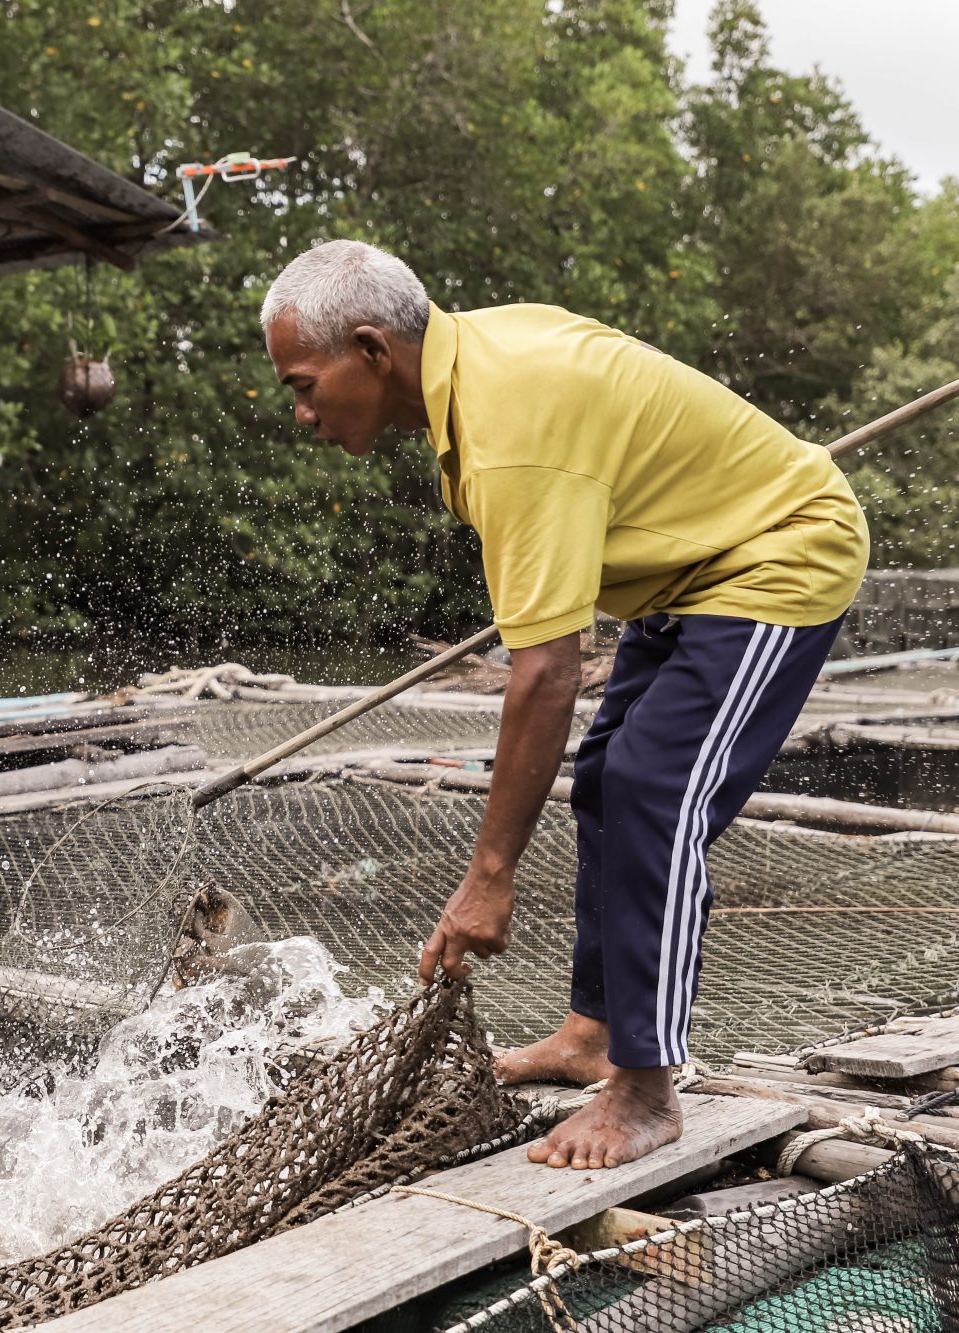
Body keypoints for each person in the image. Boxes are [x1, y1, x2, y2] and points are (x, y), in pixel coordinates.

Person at [259, 240, 868, 1169]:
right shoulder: (475, 375)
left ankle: (647, 1087)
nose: (301, 411)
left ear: (375, 352)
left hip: (777, 552)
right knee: (603, 782)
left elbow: (544, 675)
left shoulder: (511, 431)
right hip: (680, 568)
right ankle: (591, 1034)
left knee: (654, 794)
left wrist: (489, 876)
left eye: (304, 384)